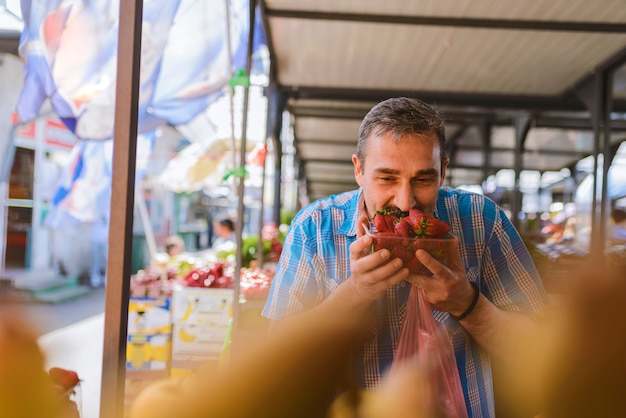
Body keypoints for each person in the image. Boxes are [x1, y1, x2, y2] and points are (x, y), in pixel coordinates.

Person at [262, 97, 549, 417]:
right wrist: (353, 293)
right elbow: (278, 360)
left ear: (443, 172)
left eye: (423, 179)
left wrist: (465, 302)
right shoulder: (313, 229)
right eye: (387, 178)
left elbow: (536, 352)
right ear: (359, 170)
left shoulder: (482, 221)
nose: (405, 200)